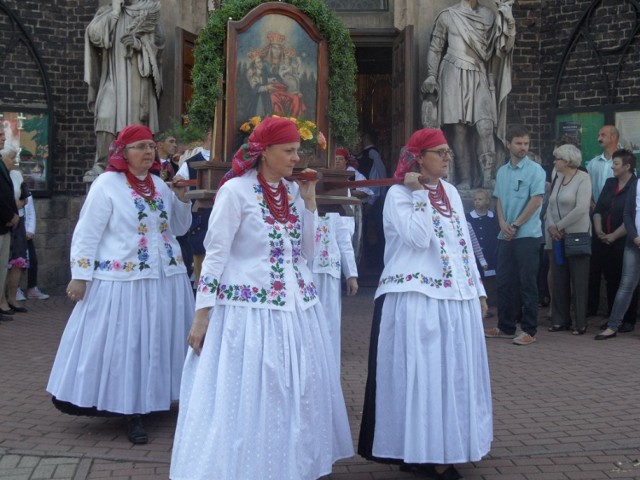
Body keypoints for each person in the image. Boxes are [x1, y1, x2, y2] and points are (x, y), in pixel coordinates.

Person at [170, 117, 353, 479]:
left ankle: (290, 465)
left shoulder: (290, 192)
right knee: (253, 395)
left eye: (297, 150)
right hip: (247, 310)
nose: (295, 158)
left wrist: (310, 202)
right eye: (288, 151)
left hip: (295, 309)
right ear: (263, 151)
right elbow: (216, 255)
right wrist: (202, 314)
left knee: (293, 392)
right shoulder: (235, 191)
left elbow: (308, 253)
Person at [46, 125, 194, 445]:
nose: (148, 152)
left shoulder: (159, 185)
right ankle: (131, 409)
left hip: (166, 279)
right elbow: (88, 232)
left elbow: (179, 229)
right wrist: (80, 274)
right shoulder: (107, 185)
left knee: (160, 341)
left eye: (151, 147)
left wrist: (182, 200)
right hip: (124, 282)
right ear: (122, 152)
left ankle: (156, 398)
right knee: (130, 345)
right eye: (140, 147)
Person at [358, 128, 491, 480]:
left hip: (454, 297)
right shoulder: (398, 196)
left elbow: (464, 243)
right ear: (419, 159)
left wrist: (478, 289)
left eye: (448, 151)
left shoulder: (449, 191)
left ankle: (443, 446)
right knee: (421, 378)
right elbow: (418, 239)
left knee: (451, 375)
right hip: (416, 297)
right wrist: (418, 194)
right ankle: (423, 451)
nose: (448, 157)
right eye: (440, 152)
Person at [421, 0, 516, 188]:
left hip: (479, 72)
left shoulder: (489, 16)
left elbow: (503, 48)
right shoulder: (447, 15)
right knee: (459, 129)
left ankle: (488, 178)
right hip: (452, 72)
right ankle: (465, 179)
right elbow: (435, 48)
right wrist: (431, 75)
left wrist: (509, 21)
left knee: (486, 126)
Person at [85, 0, 165, 170]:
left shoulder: (149, 11)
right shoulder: (107, 12)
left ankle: (136, 166)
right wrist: (114, 13)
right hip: (112, 76)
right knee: (105, 116)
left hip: (138, 80)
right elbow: (94, 36)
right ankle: (103, 163)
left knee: (135, 125)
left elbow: (160, 46)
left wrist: (138, 45)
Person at [485, 125, 546, 345]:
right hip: (506, 235)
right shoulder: (502, 172)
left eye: (526, 143)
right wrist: (502, 224)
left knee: (527, 283)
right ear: (509, 144)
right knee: (503, 282)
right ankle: (506, 326)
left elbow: (536, 200)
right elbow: (499, 200)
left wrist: (516, 224)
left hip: (527, 235)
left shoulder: (536, 170)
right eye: (519, 143)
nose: (523, 147)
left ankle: (529, 330)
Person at [544, 144, 592, 335]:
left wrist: (560, 225)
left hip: (577, 235)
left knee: (579, 280)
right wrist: (551, 225)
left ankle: (580, 323)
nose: (554, 162)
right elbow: (550, 203)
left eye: (557, 159)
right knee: (559, 277)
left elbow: (581, 208)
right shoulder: (558, 177)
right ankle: (559, 319)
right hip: (557, 236)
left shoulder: (583, 178)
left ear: (568, 161)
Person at [595, 149, 640, 340]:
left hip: (627, 240)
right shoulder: (636, 186)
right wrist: (635, 236)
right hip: (633, 241)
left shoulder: (633, 183)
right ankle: (613, 326)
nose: (613, 167)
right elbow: (628, 214)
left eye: (617, 163)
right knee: (626, 285)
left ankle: (624, 322)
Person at [309, 211, 359, 367]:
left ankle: (330, 373)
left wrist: (351, 274)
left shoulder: (337, 191)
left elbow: (343, 236)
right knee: (308, 326)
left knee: (330, 325)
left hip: (329, 269)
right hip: (304, 269)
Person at [587, 125, 620, 316]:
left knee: (613, 267)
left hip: (616, 218)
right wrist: (591, 201)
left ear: (613, 137)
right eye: (598, 134)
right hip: (595, 216)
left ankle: (613, 308)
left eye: (603, 135)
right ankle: (591, 307)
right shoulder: (593, 163)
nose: (599, 138)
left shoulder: (623, 159)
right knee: (594, 265)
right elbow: (588, 186)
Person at [2, 146, 29, 314]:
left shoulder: (17, 175)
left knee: (17, 260)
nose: (14, 161)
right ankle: (2, 299)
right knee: (3, 261)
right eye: (11, 158)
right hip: (5, 221)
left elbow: (25, 198)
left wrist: (16, 210)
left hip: (18, 220)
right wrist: (11, 213)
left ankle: (13, 297)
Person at [466, 188, 499, 308]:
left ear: (487, 201)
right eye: (475, 199)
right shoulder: (468, 218)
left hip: (491, 253)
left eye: (480, 199)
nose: (477, 202)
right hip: (474, 255)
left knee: (491, 279)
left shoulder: (493, 217)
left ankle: (491, 303)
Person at [0, 130, 19, 323]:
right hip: (1, 222)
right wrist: (8, 215)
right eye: (0, 135)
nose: (4, 138)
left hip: (4, 225)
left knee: (2, 269)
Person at [22, 193, 50, 300]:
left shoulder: (26, 193)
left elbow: (31, 213)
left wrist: (30, 230)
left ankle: (32, 288)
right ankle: (16, 289)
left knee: (32, 260)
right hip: (15, 233)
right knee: (15, 262)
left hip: (26, 234)